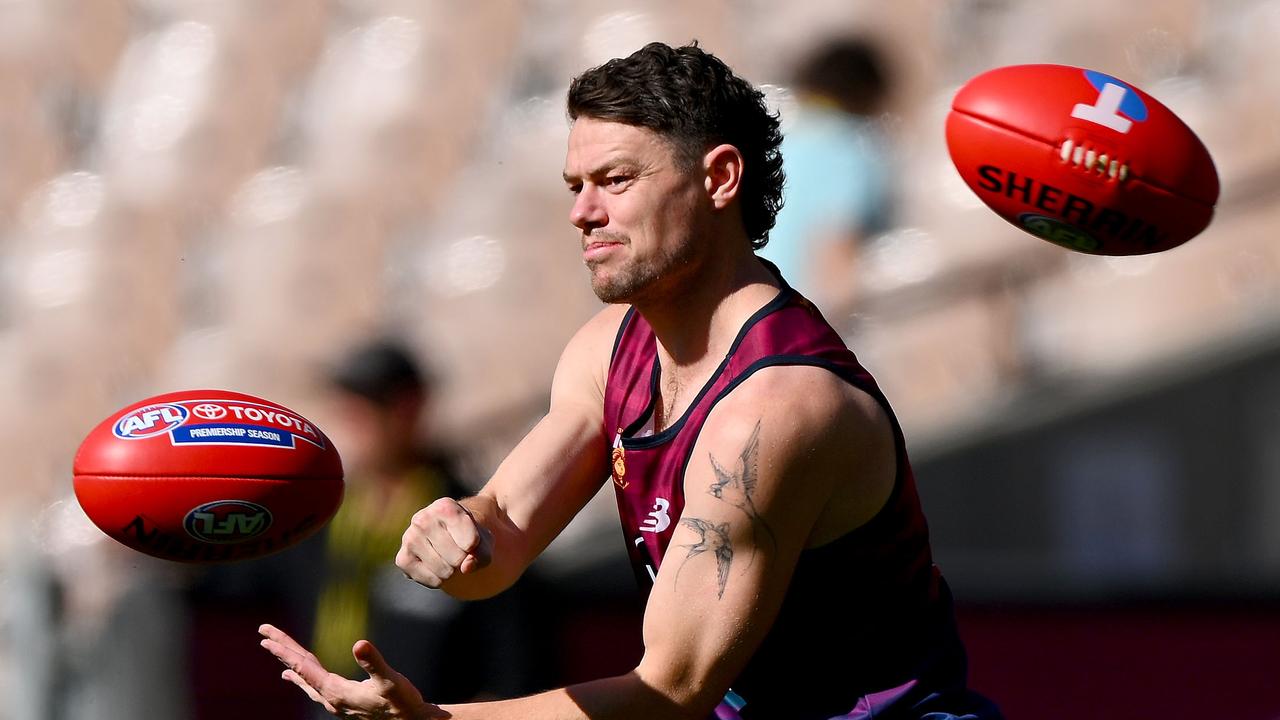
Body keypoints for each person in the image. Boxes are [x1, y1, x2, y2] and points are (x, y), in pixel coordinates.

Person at [260, 41, 1001, 720]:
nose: (583, 212)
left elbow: (671, 692)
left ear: (718, 178)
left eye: (615, 180)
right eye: (576, 184)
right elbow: (505, 531)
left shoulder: (779, 410)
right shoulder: (607, 350)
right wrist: (457, 540)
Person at [308, 339, 536, 707]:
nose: (347, 429)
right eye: (343, 412)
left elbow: (515, 668)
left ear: (407, 411)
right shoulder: (323, 518)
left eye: (359, 413)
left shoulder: (466, 523)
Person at [760, 36, 897, 317]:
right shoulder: (852, 150)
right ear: (870, 92)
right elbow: (836, 265)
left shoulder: (780, 142)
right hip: (801, 325)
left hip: (756, 320)